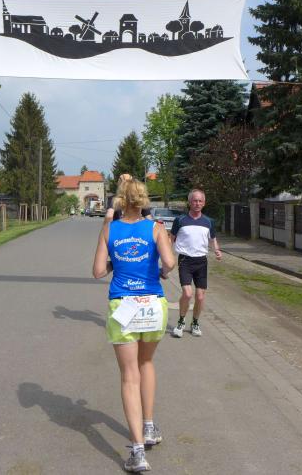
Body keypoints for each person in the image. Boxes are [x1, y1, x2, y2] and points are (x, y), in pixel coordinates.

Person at [93, 177, 175, 472]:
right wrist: (160, 269)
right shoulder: (156, 228)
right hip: (152, 302)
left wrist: (115, 263)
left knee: (129, 376)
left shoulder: (110, 228)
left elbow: (98, 271)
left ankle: (138, 452)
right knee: (146, 363)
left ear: (121, 201)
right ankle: (149, 426)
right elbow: (170, 263)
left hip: (123, 304)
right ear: (143, 200)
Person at [170, 189, 222, 338]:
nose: (197, 203)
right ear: (189, 202)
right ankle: (181, 322)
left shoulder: (209, 222)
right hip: (185, 260)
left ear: (204, 203)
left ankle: (195, 323)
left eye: (200, 201)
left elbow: (212, 239)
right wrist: (168, 254)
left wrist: (217, 250)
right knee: (187, 294)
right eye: (195, 200)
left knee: (200, 297)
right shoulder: (180, 220)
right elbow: (171, 238)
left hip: (201, 262)